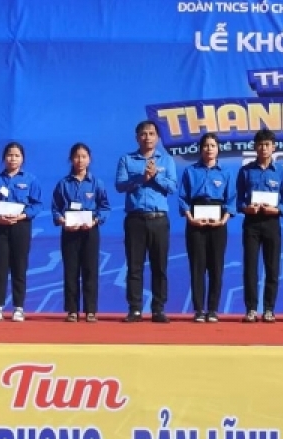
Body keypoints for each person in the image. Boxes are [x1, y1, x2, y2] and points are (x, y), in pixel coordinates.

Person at [115, 120, 177, 323]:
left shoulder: (166, 160)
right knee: (134, 267)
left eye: (151, 133)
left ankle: (158, 309)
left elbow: (172, 187)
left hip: (159, 219)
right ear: (137, 137)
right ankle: (135, 309)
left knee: (159, 267)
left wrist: (155, 176)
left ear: (157, 137)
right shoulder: (127, 159)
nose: (147, 137)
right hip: (136, 220)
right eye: (143, 134)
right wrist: (142, 178)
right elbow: (120, 185)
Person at [178, 133, 237, 323]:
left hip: (218, 221)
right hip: (195, 220)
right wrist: (190, 218)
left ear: (218, 149)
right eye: (206, 145)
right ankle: (198, 310)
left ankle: (212, 310)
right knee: (197, 267)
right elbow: (183, 198)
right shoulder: (190, 171)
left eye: (212, 145)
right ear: (200, 149)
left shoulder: (226, 172)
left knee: (216, 267)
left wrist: (223, 220)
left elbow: (231, 200)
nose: (209, 149)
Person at [0, 142, 42, 322]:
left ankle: (18, 308)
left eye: (16, 155)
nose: (12, 159)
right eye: (9, 155)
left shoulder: (30, 180)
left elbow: (37, 204)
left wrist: (23, 215)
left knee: (19, 266)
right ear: (4, 158)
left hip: (21, 226)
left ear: (22, 159)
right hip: (0, 227)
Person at [236, 129, 283, 323]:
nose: (263, 148)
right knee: (250, 267)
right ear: (255, 147)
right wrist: (246, 208)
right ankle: (251, 309)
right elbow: (238, 200)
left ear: (274, 147)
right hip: (251, 223)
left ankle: (269, 309)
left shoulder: (282, 172)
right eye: (260, 144)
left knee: (272, 267)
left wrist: (277, 209)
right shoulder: (245, 171)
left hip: (272, 223)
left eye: (267, 144)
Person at [52, 143, 111, 323]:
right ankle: (72, 310)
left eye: (84, 156)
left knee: (90, 270)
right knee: (71, 271)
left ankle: (90, 310)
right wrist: (62, 221)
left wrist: (95, 221)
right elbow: (55, 209)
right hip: (69, 232)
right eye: (77, 156)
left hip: (90, 231)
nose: (80, 160)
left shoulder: (96, 183)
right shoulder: (63, 184)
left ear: (89, 159)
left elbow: (105, 207)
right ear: (71, 159)